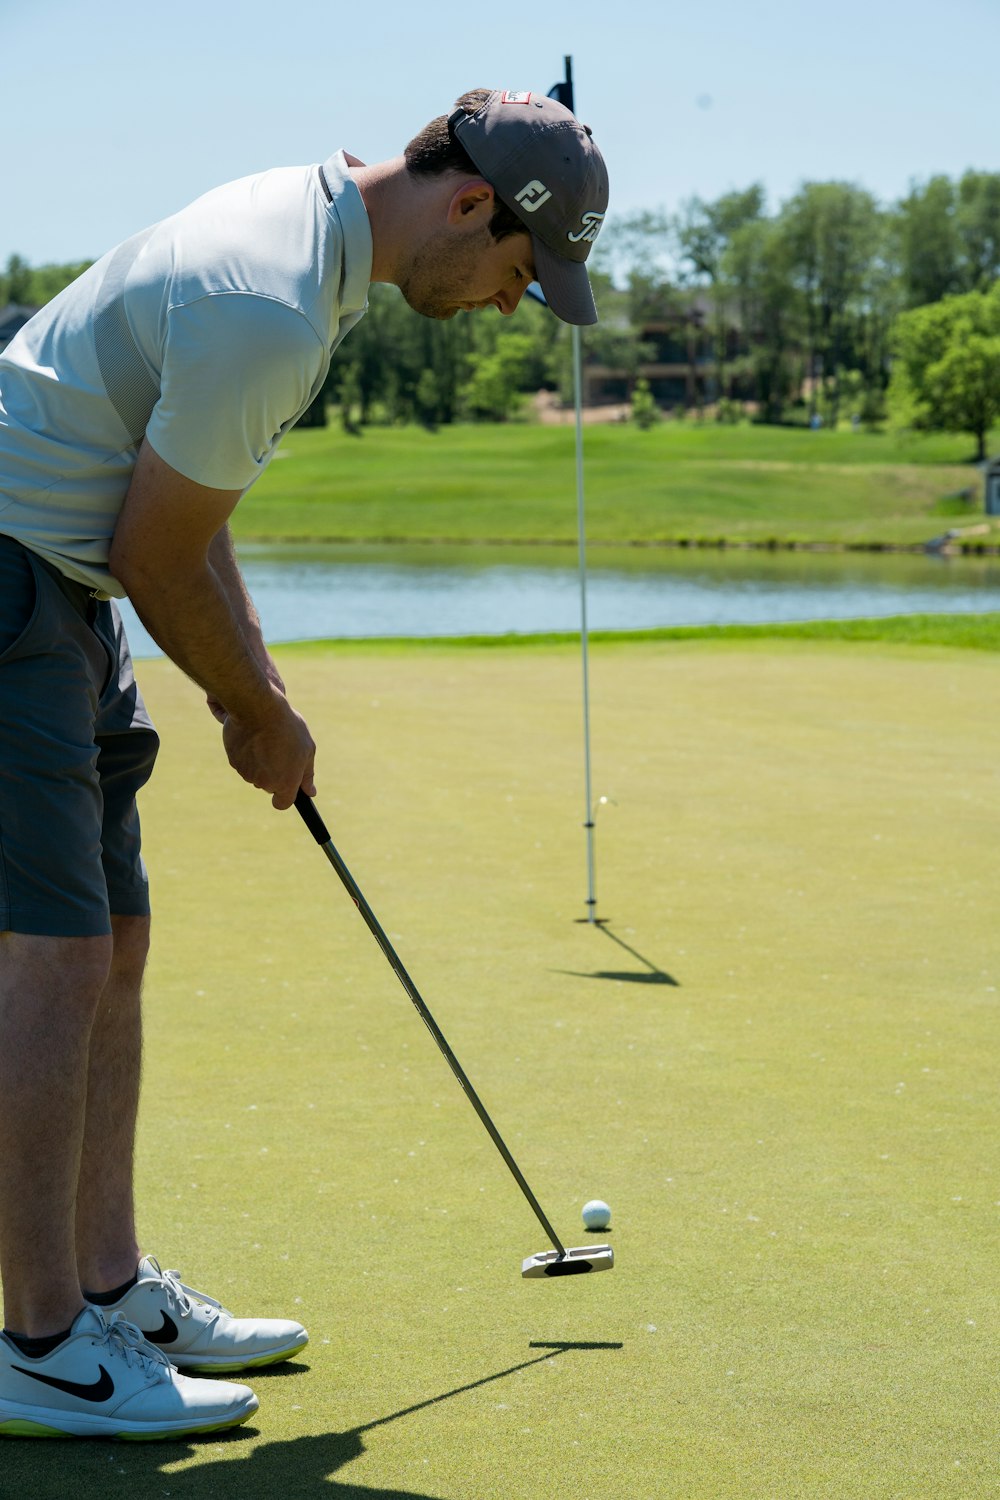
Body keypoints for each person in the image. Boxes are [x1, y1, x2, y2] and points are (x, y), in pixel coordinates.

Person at [0, 88, 608, 1440]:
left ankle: (109, 1288)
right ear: (468, 206)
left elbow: (186, 512)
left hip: (68, 588)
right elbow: (158, 554)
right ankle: (38, 1340)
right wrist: (250, 714)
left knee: (119, 936)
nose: (516, 303)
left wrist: (257, 693)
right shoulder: (273, 298)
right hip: (12, 577)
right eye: (521, 269)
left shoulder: (316, 248)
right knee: (50, 950)